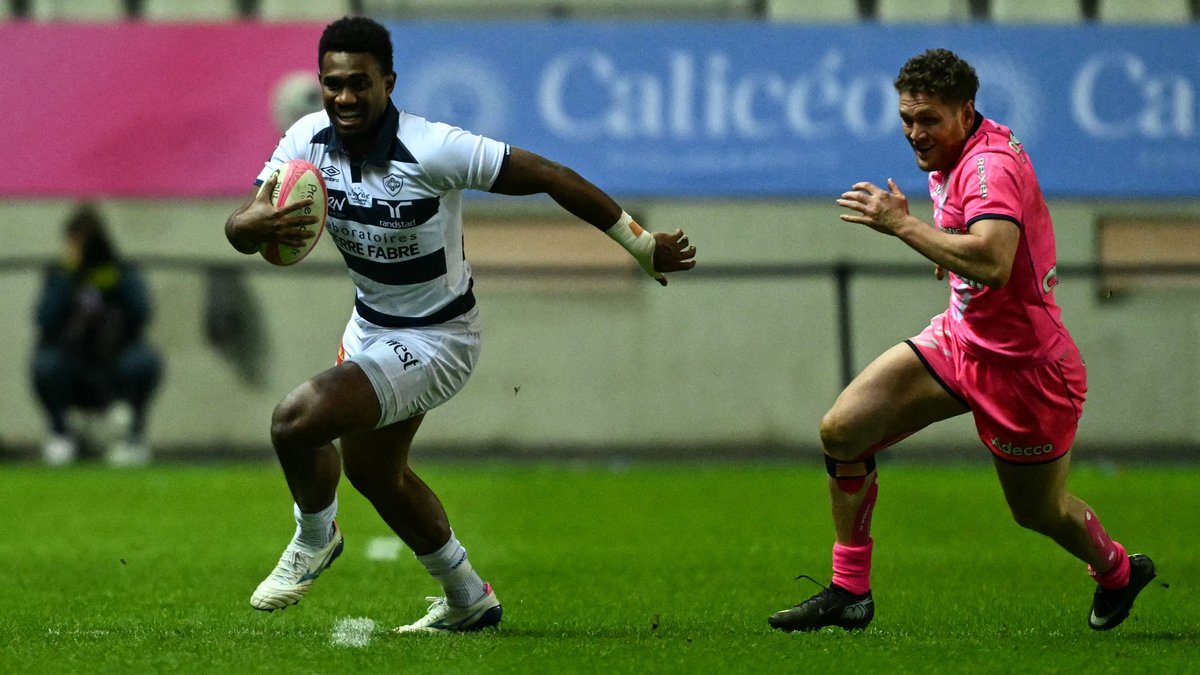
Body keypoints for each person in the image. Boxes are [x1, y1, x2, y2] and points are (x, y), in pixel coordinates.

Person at [224, 16, 696, 633]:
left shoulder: (434, 147)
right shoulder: (306, 140)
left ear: (388, 83)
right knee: (373, 473)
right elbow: (244, 224)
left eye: (360, 83)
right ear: (321, 83)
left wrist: (639, 244)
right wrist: (248, 228)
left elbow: (551, 176)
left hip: (438, 338)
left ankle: (315, 538)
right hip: (369, 330)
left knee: (295, 421)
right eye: (334, 84)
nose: (345, 97)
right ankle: (468, 596)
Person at [768, 48, 1154, 633]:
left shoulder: (988, 167)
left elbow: (995, 261)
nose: (914, 132)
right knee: (843, 430)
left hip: (1026, 370)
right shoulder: (956, 152)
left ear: (966, 110)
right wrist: (938, 242)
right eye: (907, 118)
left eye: (929, 120)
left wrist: (904, 225)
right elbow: (975, 241)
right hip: (960, 340)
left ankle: (1119, 572)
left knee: (1039, 512)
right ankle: (850, 590)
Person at [31, 203, 163, 467]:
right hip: (72, 362)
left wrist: (115, 281)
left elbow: (142, 313)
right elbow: (44, 320)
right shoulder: (60, 275)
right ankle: (61, 434)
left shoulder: (120, 271)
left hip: (115, 361)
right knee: (45, 364)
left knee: (144, 361)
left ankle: (131, 439)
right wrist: (68, 277)